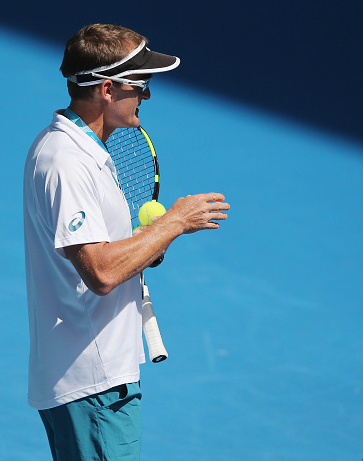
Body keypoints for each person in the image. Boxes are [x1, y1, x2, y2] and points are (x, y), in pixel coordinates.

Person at [23, 24, 230, 460]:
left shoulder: (86, 149)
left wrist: (149, 243)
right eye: (141, 85)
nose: (148, 97)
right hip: (91, 382)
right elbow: (100, 273)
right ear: (107, 88)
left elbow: (104, 257)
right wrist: (170, 224)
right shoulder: (67, 161)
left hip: (98, 375)